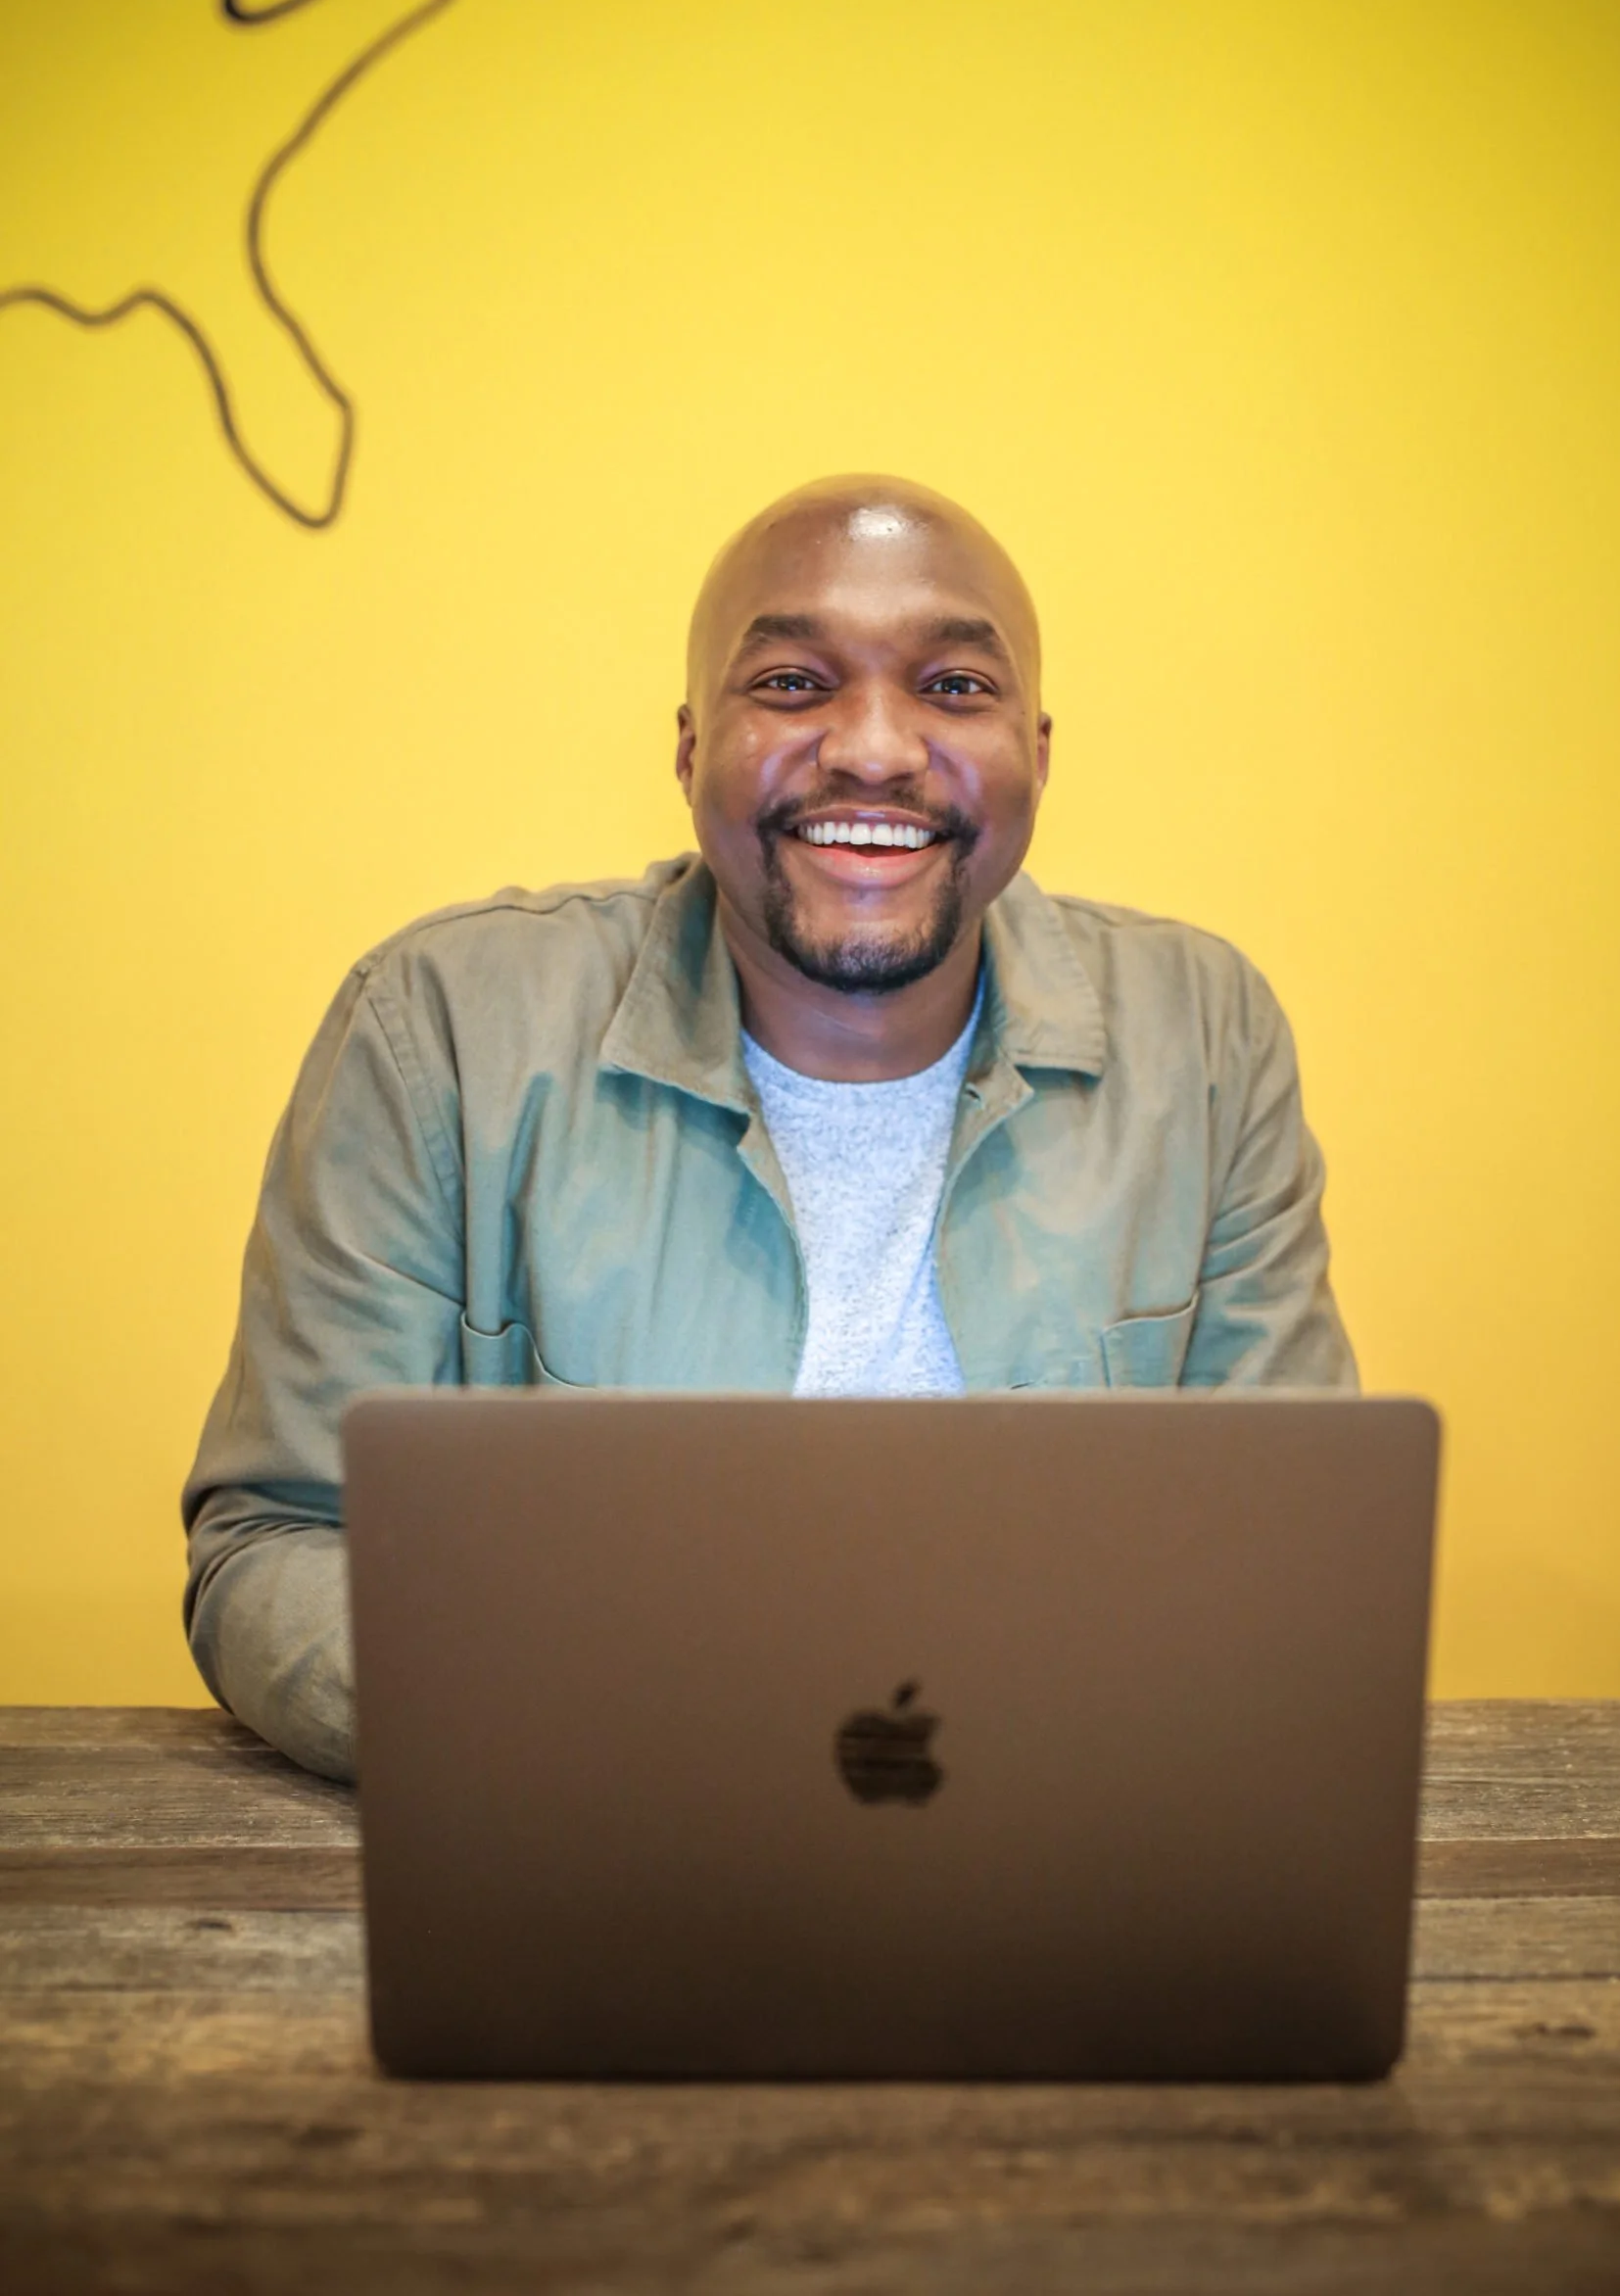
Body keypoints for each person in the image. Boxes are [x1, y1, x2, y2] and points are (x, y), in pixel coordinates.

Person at [183, 475, 1357, 1780]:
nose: (872, 747)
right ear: (691, 749)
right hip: (596, 1854)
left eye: (953, 687)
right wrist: (587, 1749)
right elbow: (276, 1545)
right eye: (794, 684)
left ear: (1038, 748)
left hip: (1068, 1861)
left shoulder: (1204, 1036)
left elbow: (1288, 1566)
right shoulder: (443, 1028)